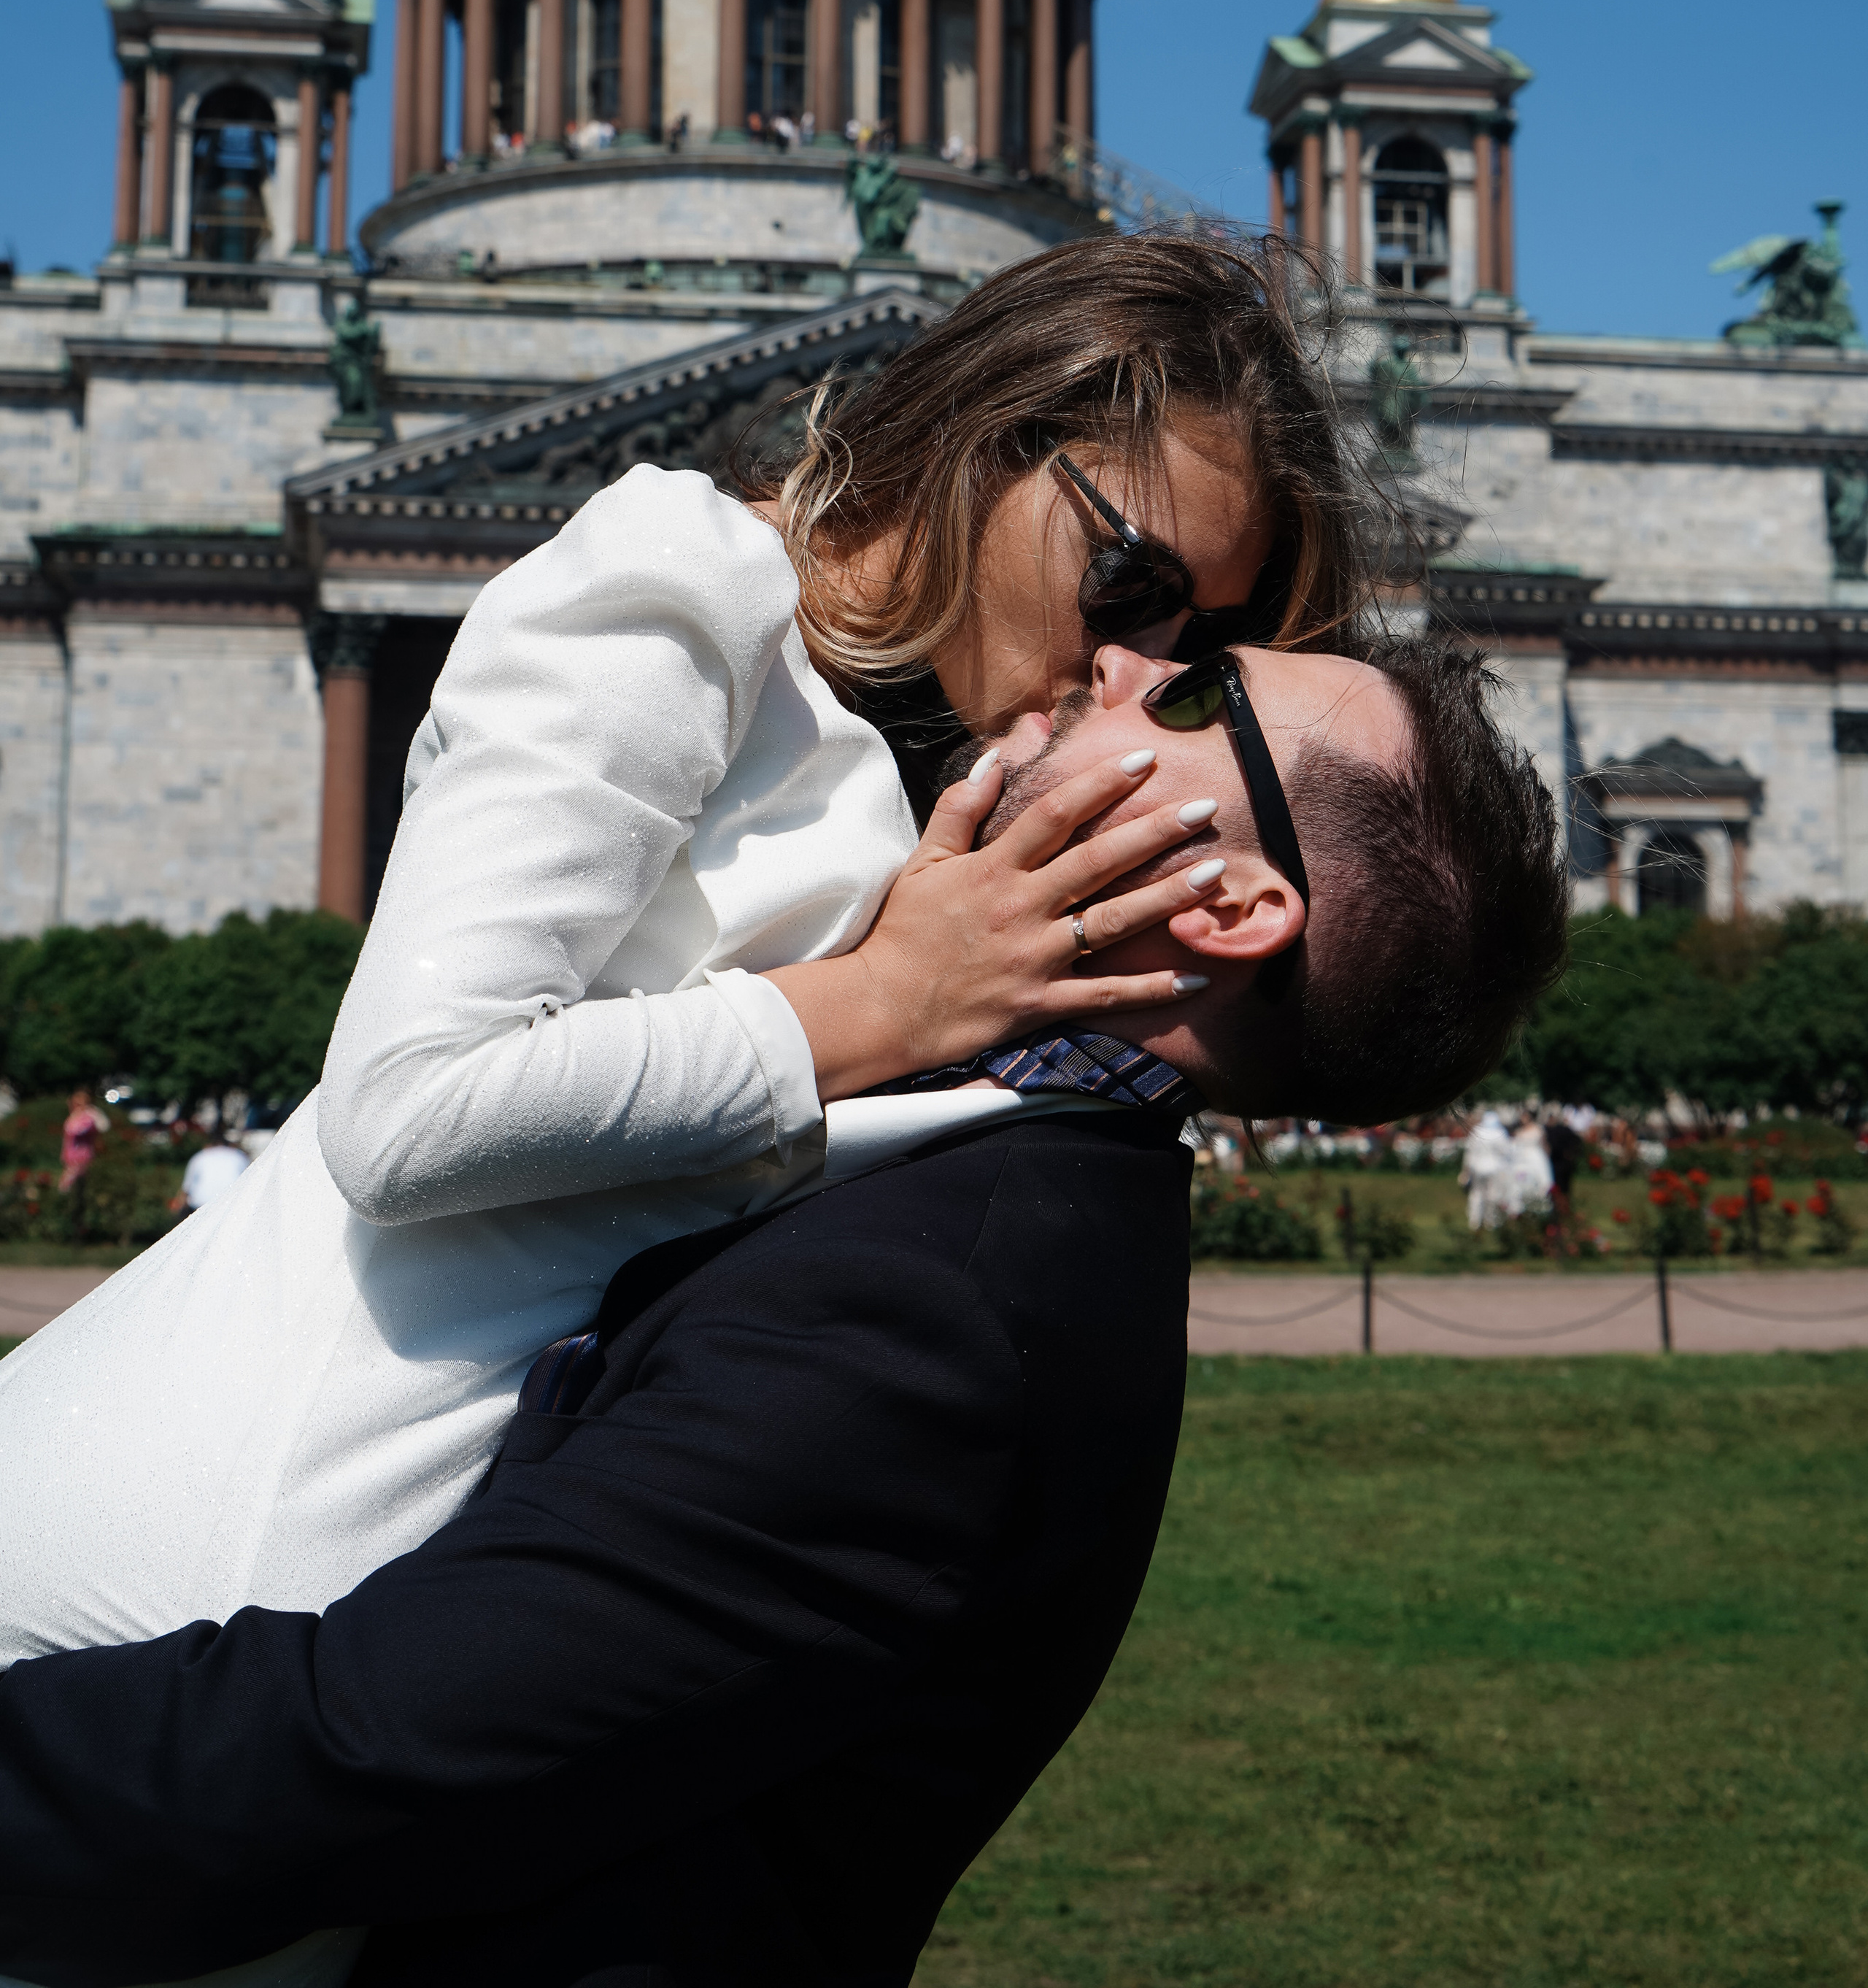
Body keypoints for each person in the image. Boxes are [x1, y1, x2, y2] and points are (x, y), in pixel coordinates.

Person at [0, 632, 1567, 1988]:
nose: (1119, 657)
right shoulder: (970, 1163)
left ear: (1226, 906)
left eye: (1197, 690)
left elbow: (348, 1758)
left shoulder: (945, 1313)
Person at [0, 232, 1365, 1671]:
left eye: (1201, 649)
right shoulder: (691, 578)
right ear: (990, 435)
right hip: (173, 1559)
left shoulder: (952, 774)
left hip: (405, 1633)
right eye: (1131, 579)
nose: (1135, 666)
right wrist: (888, 999)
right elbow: (407, 1110)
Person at [169, 1129, 250, 1218]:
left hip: (200, 1205)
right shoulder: (239, 1156)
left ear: (207, 1145)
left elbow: (186, 1190)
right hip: (232, 1204)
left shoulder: (199, 1157)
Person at [1459, 1106, 1513, 1229]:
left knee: (1476, 1193)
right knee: (1492, 1194)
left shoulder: (1477, 1132)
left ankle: (1474, 1220)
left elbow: (1469, 1152)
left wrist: (1466, 1170)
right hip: (1495, 1168)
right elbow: (1506, 1152)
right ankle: (1490, 1220)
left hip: (1477, 1167)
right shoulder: (1500, 1132)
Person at [55, 1090, 104, 1195]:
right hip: (72, 1155)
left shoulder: (87, 1117)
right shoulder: (75, 1116)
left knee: (69, 1185)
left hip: (81, 1155)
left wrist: (90, 1113)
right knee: (75, 1185)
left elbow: (76, 1130)